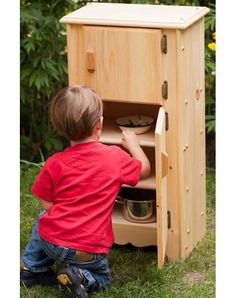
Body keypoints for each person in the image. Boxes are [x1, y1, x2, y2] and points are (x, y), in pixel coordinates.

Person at [20, 85, 151, 297]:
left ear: (59, 127)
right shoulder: (114, 157)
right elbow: (144, 169)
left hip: (51, 243)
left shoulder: (54, 163)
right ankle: (79, 276)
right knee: (101, 279)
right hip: (88, 252)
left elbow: (48, 205)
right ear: (99, 125)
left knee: (44, 217)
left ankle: (32, 269)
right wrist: (134, 145)